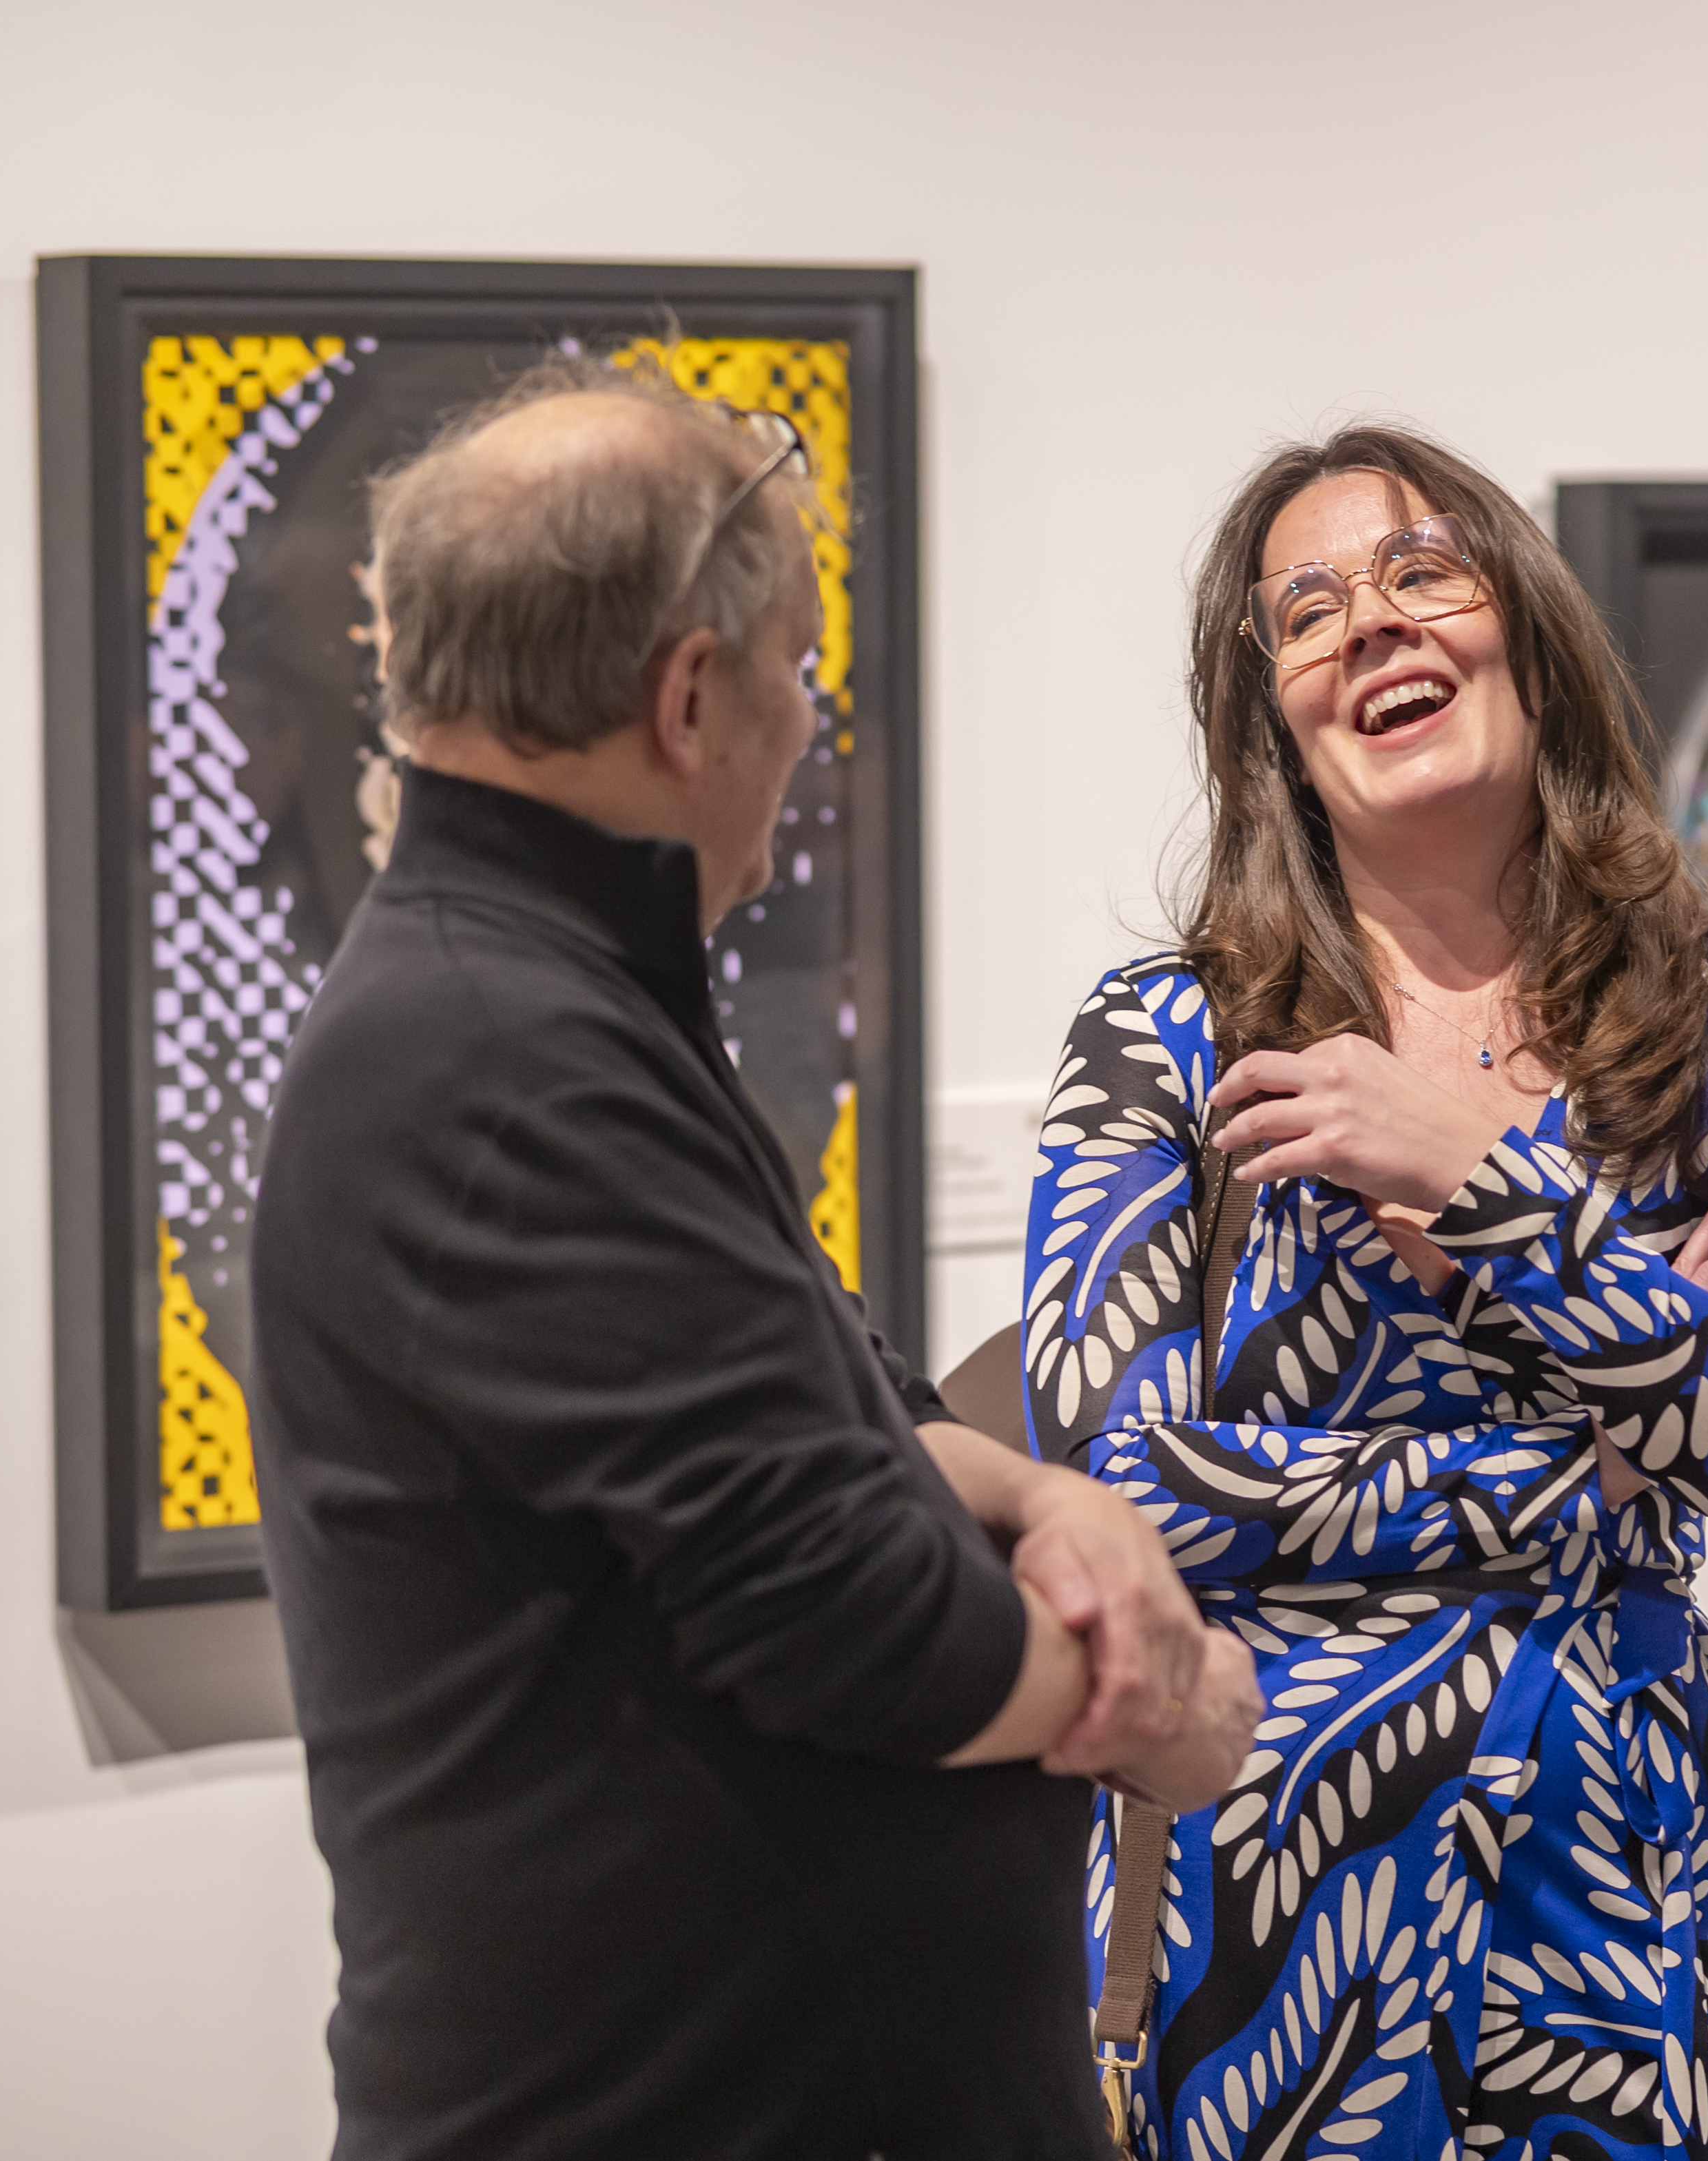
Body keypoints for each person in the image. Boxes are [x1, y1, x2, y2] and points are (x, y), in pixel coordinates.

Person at [250, 359, 1257, 2161]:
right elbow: (862, 1624)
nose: (807, 728)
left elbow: (833, 1391)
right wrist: (1156, 1707)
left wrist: (1046, 1499)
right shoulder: (497, 1054)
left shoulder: (565, 990)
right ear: (690, 695)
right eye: (798, 671)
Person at [1023, 425, 1708, 2160]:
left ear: (1527, 627)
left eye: (1428, 570)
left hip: (1630, 1893)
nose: (1375, 627)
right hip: (1264, 1906)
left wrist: (1489, 1186)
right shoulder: (1165, 1042)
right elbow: (1115, 1486)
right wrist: (1606, 1456)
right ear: (1269, 704)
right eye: (1311, 609)